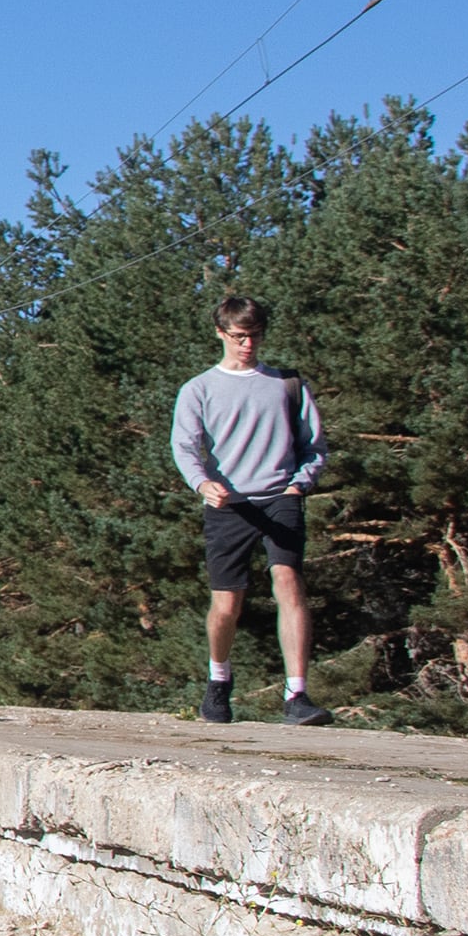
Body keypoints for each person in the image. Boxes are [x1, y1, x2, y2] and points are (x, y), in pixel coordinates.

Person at [172, 291, 332, 727]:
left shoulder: (286, 383)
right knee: (226, 604)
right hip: (228, 505)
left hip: (282, 497)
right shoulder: (199, 389)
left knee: (289, 582)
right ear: (221, 333)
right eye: (241, 336)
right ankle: (218, 681)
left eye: (255, 336)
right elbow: (185, 446)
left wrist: (300, 486)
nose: (248, 344)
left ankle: (296, 694)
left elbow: (314, 446)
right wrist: (203, 484)